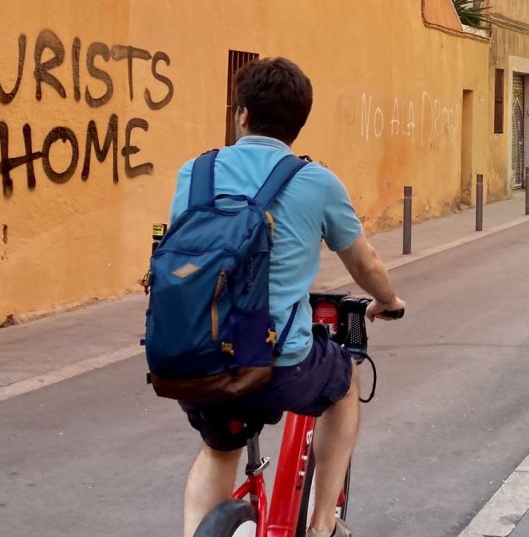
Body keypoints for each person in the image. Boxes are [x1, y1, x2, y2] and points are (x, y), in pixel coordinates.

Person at [173, 57, 406, 537]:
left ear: (242, 115)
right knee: (343, 386)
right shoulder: (316, 182)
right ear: (300, 123)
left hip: (196, 356)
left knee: (219, 448)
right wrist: (388, 301)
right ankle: (322, 526)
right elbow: (365, 264)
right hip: (277, 361)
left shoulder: (194, 172)